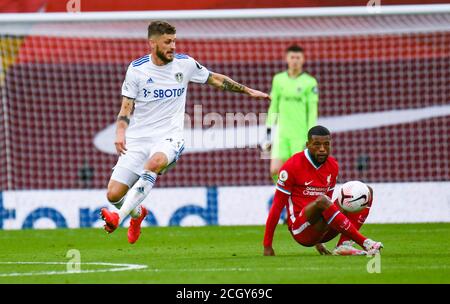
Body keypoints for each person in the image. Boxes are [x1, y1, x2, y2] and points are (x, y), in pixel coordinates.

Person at [101, 21, 270, 244]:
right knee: (113, 195)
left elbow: (215, 79)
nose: (173, 46)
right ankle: (137, 213)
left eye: (174, 41)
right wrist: (120, 133)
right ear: (152, 43)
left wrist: (248, 91)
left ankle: (118, 218)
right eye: (167, 42)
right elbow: (126, 107)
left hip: (169, 137)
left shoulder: (185, 64)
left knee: (154, 163)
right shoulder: (137, 70)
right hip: (138, 139)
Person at [263, 125, 383, 256]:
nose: (322, 149)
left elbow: (329, 204)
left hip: (323, 230)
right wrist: (267, 245)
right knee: (322, 200)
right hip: (300, 230)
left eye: (326, 144)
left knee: (365, 192)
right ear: (308, 145)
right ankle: (365, 242)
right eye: (317, 144)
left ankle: (344, 245)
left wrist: (318, 242)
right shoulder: (291, 166)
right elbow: (276, 207)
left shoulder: (333, 166)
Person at [261, 45, 318, 182]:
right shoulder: (278, 79)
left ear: (303, 60)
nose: (295, 61)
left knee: (299, 173)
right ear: (287, 59)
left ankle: (296, 200)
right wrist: (268, 133)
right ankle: (285, 196)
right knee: (275, 170)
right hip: (282, 135)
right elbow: (273, 107)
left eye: (298, 58)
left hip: (300, 135)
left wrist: (310, 136)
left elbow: (312, 112)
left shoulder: (310, 82)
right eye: (292, 57)